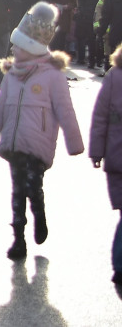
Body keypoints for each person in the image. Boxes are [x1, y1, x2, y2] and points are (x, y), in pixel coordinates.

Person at [0, 2, 85, 260]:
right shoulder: (13, 74)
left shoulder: (53, 75)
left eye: (17, 45)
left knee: (32, 186)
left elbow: (65, 110)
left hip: (38, 144)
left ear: (29, 47)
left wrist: (75, 143)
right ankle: (18, 239)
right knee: (17, 190)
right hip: (14, 142)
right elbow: (0, 107)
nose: (13, 49)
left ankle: (38, 215)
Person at [89, 42, 122, 288]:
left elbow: (100, 117)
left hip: (115, 157)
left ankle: (120, 266)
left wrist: (97, 152)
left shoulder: (113, 76)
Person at [77, 0, 109, 68]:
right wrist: (82, 11)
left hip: (102, 17)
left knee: (101, 40)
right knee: (91, 40)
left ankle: (100, 60)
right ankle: (91, 61)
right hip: (89, 17)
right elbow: (81, 0)